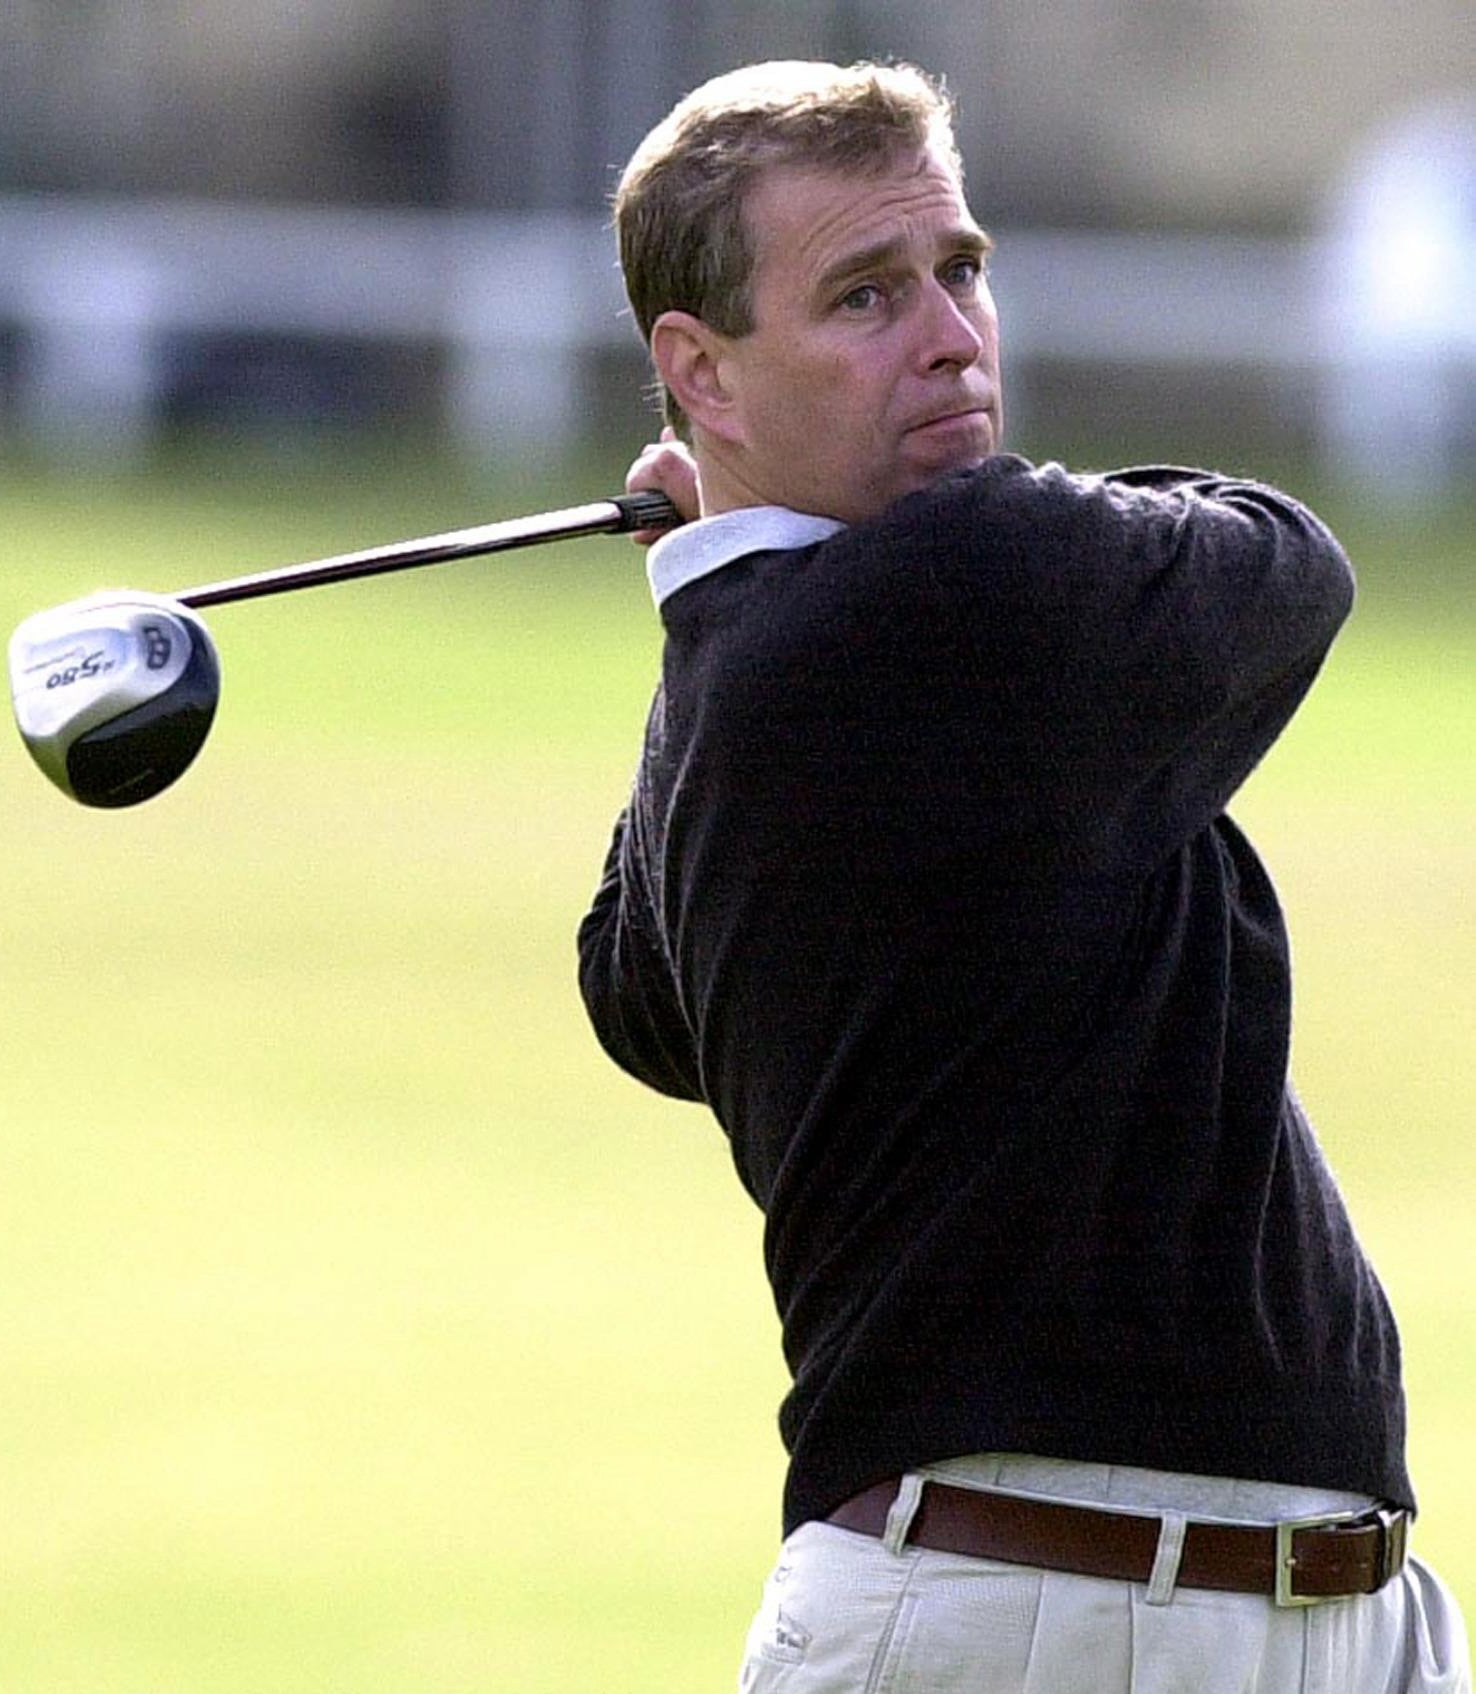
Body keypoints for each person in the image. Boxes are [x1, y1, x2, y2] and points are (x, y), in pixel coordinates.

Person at [576, 59, 1470, 1693]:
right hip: (1037, 1616)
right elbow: (1290, 561)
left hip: (1297, 1607)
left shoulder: (774, 664)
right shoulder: (979, 572)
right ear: (698, 371)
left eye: (961, 270)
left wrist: (713, 576)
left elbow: (633, 987)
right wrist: (739, 576)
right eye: (864, 295)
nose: (951, 337)